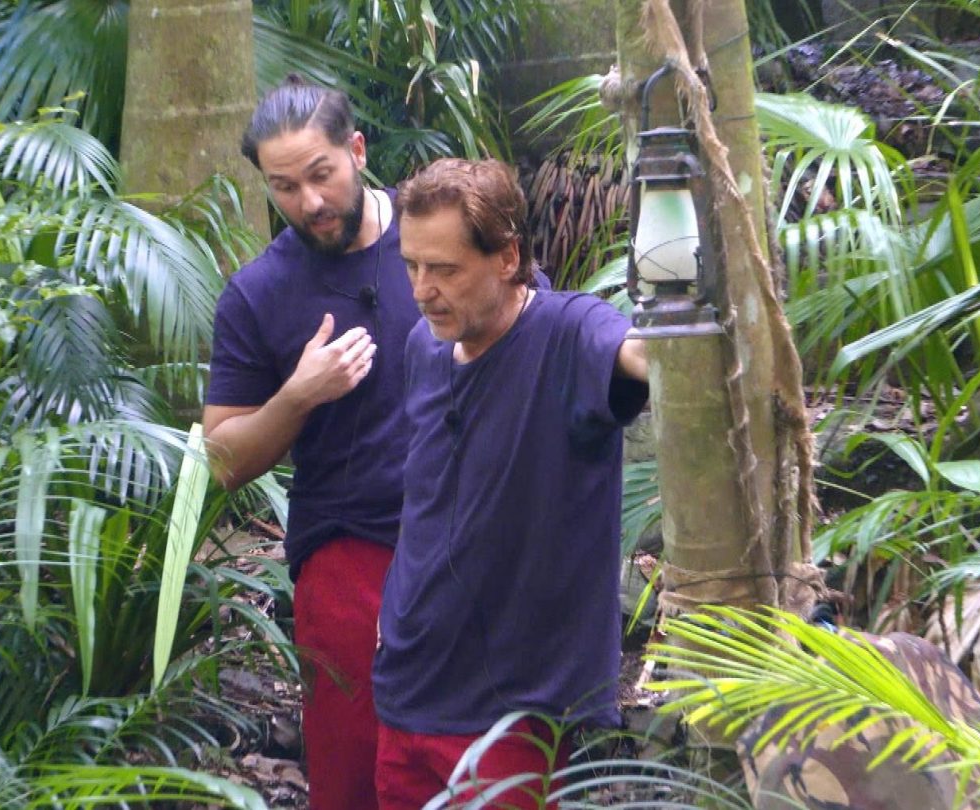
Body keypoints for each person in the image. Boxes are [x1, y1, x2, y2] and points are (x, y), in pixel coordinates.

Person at [373, 157, 650, 809]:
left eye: (443, 269)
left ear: (506, 258)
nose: (421, 289)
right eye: (411, 265)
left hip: (506, 705)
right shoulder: (424, 343)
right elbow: (427, 500)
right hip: (406, 679)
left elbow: (643, 354)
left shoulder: (567, 331)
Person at [202, 75, 414, 810]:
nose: (309, 202)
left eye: (320, 175)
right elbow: (223, 458)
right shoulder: (258, 293)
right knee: (353, 766)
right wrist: (298, 395)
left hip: (468, 535)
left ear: (356, 151)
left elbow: (531, 329)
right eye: (284, 186)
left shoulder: (439, 235)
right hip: (345, 549)